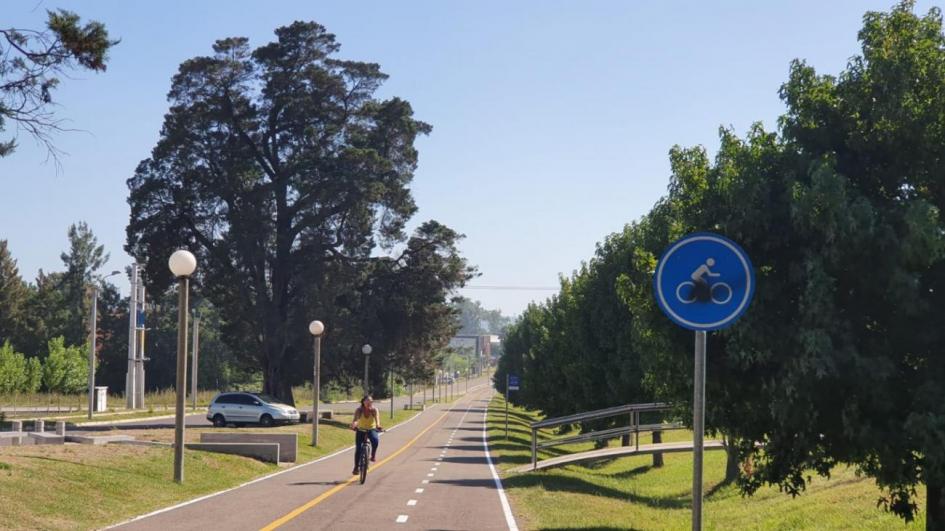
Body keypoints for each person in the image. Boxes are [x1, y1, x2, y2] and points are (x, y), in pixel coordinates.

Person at [351, 395, 383, 475]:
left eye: (371, 401)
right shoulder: (359, 410)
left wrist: (378, 426)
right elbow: (356, 419)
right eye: (367, 401)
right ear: (363, 402)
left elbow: (377, 419)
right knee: (358, 448)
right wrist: (354, 425)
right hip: (361, 429)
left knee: (375, 440)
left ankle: (373, 455)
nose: (369, 403)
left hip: (371, 429)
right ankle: (356, 467)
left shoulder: (374, 410)